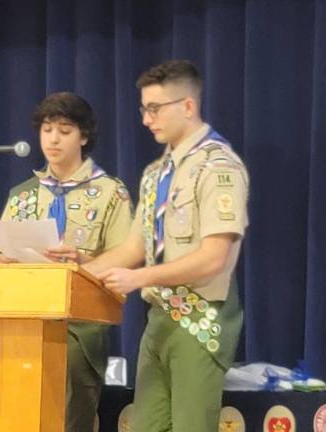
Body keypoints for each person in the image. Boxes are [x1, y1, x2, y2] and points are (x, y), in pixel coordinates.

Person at [84, 60, 249, 431]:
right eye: (144, 109)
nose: (146, 119)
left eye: (155, 108)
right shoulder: (156, 174)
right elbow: (133, 247)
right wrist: (74, 273)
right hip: (158, 320)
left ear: (188, 106)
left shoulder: (218, 168)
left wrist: (138, 278)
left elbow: (213, 258)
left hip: (200, 320)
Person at [0, 92, 133, 431]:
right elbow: (1, 262)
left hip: (79, 335)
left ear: (83, 136)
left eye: (65, 130)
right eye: (47, 129)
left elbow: (124, 264)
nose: (53, 139)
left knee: (68, 420)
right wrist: (4, 263)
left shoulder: (111, 194)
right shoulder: (22, 194)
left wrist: (83, 261)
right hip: (23, 330)